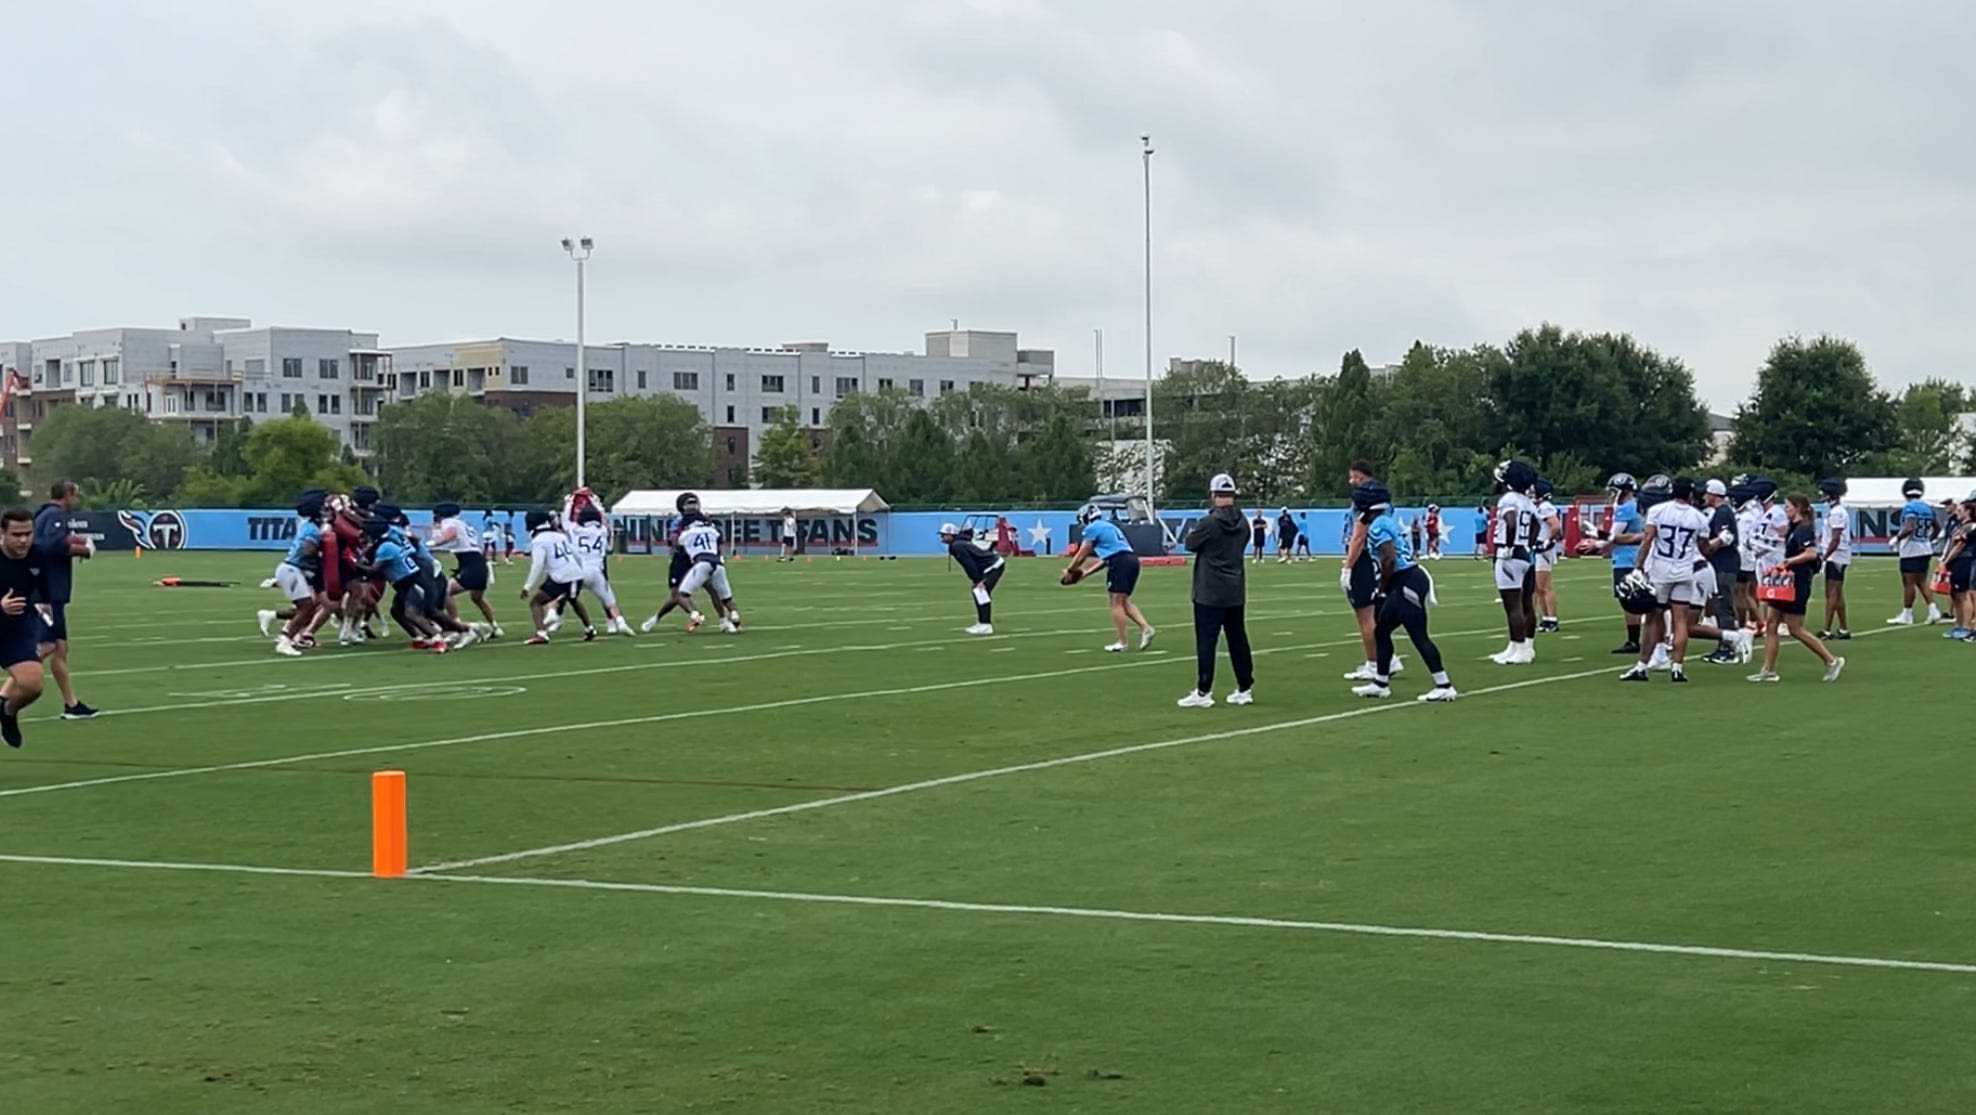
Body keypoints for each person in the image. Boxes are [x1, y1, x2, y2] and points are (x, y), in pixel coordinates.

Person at [1349, 482, 1458, 703]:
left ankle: (1444, 684)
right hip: (1405, 579)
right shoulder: (1384, 520)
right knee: (1381, 631)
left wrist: (1382, 589)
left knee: (1418, 635)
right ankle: (1380, 683)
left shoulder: (1379, 525)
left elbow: (1388, 558)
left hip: (1406, 580)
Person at [1621, 477, 1714, 683]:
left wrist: (1638, 567)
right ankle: (1678, 667)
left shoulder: (1658, 511)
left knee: (1653, 619)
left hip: (1661, 570)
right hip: (1684, 570)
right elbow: (1705, 547)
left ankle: (1642, 665)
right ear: (1690, 494)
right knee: (1680, 620)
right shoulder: (1698, 517)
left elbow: (1648, 540)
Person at [1748, 493, 1843, 682]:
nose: (1785, 510)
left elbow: (1810, 553)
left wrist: (1788, 561)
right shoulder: (1794, 528)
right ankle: (1768, 670)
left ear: (1798, 507)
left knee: (1795, 628)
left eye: (1788, 507)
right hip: (1785, 581)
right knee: (1772, 623)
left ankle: (1831, 660)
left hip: (1797, 581)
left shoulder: (1804, 530)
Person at [1178, 473, 1253, 708]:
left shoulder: (1209, 523)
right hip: (1235, 588)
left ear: (1213, 495)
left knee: (1207, 641)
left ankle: (1203, 691)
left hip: (1210, 590)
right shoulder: (1243, 522)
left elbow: (1190, 544)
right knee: (1238, 639)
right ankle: (1245, 687)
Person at [31, 480, 96, 719]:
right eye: (75, 496)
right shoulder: (55, 514)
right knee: (48, 645)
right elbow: (52, 544)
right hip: (48, 592)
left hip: (48, 590)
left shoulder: (43, 514)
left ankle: (71, 704)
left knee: (60, 648)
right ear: (68, 494)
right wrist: (84, 550)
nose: (75, 501)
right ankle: (6, 695)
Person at [1340, 459, 1402, 682]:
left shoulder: (1365, 501)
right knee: (1373, 614)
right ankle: (1388, 658)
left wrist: (1348, 566)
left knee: (1365, 616)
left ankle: (1374, 664)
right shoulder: (1383, 500)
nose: (1352, 482)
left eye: (1355, 477)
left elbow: (1359, 536)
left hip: (1364, 559)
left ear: (1364, 477)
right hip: (1375, 557)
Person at [1063, 504, 1154, 652]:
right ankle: (1146, 628)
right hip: (1130, 560)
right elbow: (1106, 559)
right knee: (1123, 601)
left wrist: (1070, 570)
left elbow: (1082, 554)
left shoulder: (1092, 529)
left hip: (1120, 562)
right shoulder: (1108, 526)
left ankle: (1122, 642)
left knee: (1115, 602)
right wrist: (1084, 574)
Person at [1576, 473, 1646, 654]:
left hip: (1626, 558)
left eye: (1615, 491)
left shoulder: (1626, 509)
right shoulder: (1633, 506)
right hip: (1632, 556)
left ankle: (1634, 641)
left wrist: (1595, 543)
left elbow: (1614, 536)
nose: (1612, 495)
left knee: (1628, 599)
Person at [0, 508, 50, 747]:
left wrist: (49, 621)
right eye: (16, 534)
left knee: (33, 685)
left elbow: (42, 590)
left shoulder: (37, 556)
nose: (23, 540)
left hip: (15, 631)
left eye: (28, 534)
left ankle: (7, 710)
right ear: (2, 534)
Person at [1488, 459, 1541, 666]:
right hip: (1525, 554)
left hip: (1509, 553)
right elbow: (1536, 524)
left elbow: (1510, 521)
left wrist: (1509, 546)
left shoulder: (1508, 499)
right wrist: (1528, 544)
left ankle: (1520, 648)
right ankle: (1522, 646)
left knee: (1513, 605)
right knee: (1526, 603)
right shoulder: (1526, 500)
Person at [520, 509, 595, 644]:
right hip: (576, 574)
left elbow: (538, 565)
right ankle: (589, 628)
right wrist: (578, 571)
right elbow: (577, 555)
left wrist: (527, 586)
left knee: (535, 602)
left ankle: (541, 633)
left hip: (561, 577)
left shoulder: (539, 541)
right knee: (573, 600)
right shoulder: (560, 536)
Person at [1887, 477, 1944, 626]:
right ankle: (1933, 610)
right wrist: (1928, 539)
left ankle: (1907, 614)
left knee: (1909, 583)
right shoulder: (1928, 507)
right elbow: (1937, 528)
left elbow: (1910, 527)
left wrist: (1896, 539)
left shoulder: (1910, 508)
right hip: (1925, 548)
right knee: (1922, 581)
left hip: (1911, 549)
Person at [1699, 479, 1743, 663]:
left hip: (1724, 564)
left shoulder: (1723, 512)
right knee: (1720, 606)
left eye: (1707, 493)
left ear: (1714, 494)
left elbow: (1726, 537)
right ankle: (1724, 645)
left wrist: (1709, 547)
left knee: (1724, 605)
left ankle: (1729, 647)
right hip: (1721, 563)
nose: (1704, 496)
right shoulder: (1721, 512)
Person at [940, 522, 1005, 635]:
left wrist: (978, 580)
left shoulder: (957, 546)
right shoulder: (958, 544)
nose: (942, 537)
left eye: (944, 534)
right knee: (979, 592)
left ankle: (985, 624)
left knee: (981, 592)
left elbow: (969, 564)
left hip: (993, 565)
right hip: (988, 566)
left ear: (952, 535)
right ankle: (982, 622)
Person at [1816, 478, 1852, 640]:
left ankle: (1827, 629)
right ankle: (1843, 628)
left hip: (1836, 556)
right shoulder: (1836, 511)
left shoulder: (1837, 512)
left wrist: (1824, 557)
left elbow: (1836, 539)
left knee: (1831, 594)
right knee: (1837, 594)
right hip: (1838, 555)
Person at [1940, 492, 1976, 640]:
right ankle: (1959, 625)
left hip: (1963, 560)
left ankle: (1966, 626)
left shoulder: (1969, 527)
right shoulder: (1960, 526)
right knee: (1955, 595)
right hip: (1957, 561)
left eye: (1960, 511)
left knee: (1963, 594)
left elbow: (1959, 546)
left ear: (1968, 511)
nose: (1958, 513)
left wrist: (1946, 561)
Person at [1531, 478, 1564, 633]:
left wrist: (1547, 541)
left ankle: (1552, 619)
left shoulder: (1545, 507)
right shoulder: (1538, 507)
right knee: (1537, 588)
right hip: (1537, 548)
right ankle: (1545, 618)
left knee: (1544, 586)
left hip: (1543, 550)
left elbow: (1556, 526)